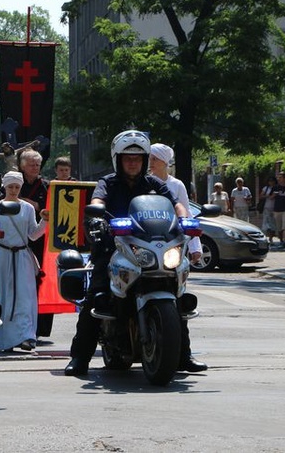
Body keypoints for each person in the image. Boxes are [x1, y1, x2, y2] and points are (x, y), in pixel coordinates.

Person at [64, 130, 193, 377]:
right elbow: (98, 201)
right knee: (97, 295)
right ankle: (80, 357)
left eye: (137, 158)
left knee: (175, 291)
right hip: (114, 247)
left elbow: (174, 203)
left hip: (151, 247)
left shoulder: (154, 183)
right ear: (118, 160)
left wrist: (184, 218)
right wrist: (97, 216)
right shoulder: (108, 183)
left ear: (145, 160)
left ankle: (183, 355)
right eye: (128, 158)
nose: (133, 162)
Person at [147, 143, 207, 372]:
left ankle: (184, 354)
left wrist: (195, 246)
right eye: (149, 158)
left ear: (165, 162)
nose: (151, 162)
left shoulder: (176, 185)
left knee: (178, 299)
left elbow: (187, 215)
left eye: (155, 159)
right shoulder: (143, 182)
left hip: (172, 246)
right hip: (145, 246)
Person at [0, 171, 49, 353]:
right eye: (10, 187)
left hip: (22, 256)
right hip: (3, 256)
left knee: (25, 296)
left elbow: (33, 234)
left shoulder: (28, 209)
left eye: (17, 187)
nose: (14, 190)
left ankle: (26, 336)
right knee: (3, 296)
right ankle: (2, 338)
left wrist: (45, 222)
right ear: (4, 187)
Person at [18, 148, 53, 339]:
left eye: (38, 165)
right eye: (32, 164)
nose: (35, 168)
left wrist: (39, 207)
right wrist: (28, 202)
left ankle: (41, 328)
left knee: (41, 281)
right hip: (19, 239)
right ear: (23, 166)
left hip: (41, 241)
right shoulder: (15, 183)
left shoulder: (47, 186)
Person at [259, 176, 277, 244]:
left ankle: (271, 238)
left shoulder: (277, 188)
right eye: (270, 181)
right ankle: (267, 238)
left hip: (275, 208)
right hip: (266, 208)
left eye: (272, 181)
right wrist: (268, 196)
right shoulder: (266, 188)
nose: (271, 182)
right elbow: (260, 196)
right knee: (267, 224)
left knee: (273, 225)